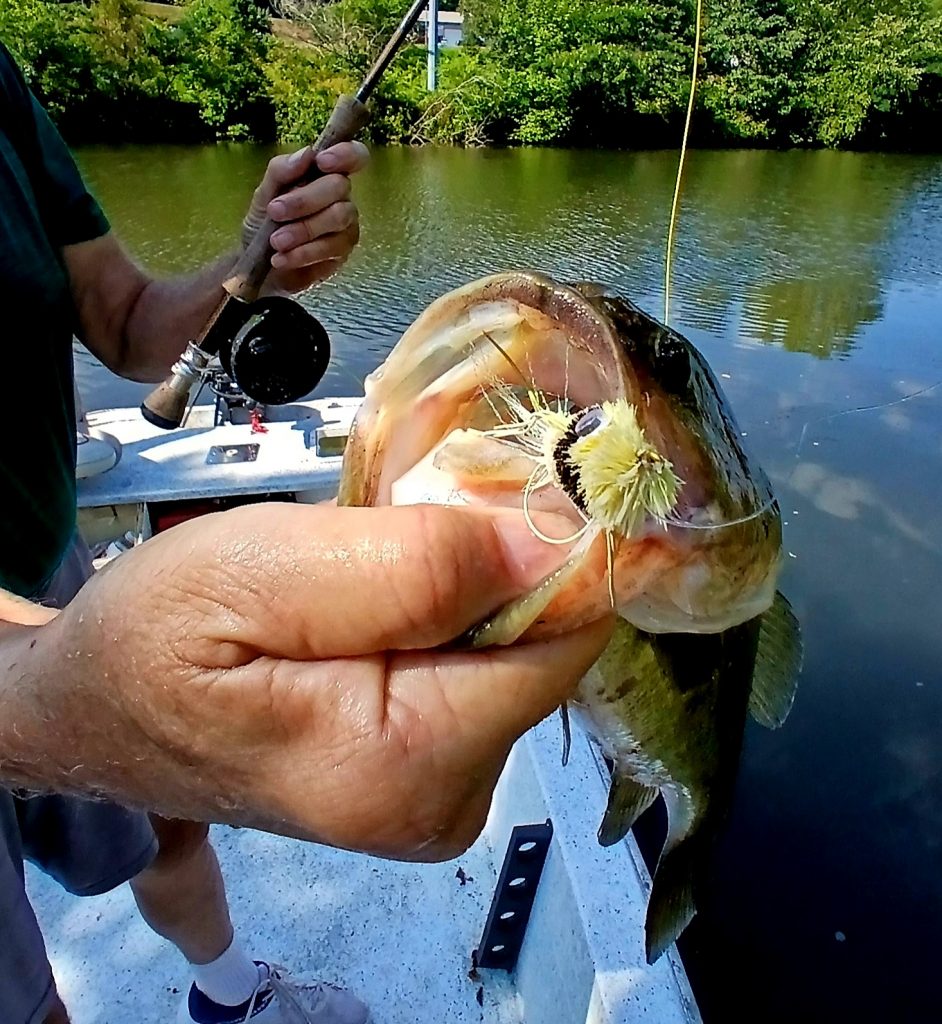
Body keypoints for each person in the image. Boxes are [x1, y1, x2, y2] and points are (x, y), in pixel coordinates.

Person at [0, 39, 614, 1024]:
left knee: (169, 823)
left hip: (45, 556)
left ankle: (228, 992)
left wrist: (257, 259)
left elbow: (124, 322)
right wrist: (44, 694)